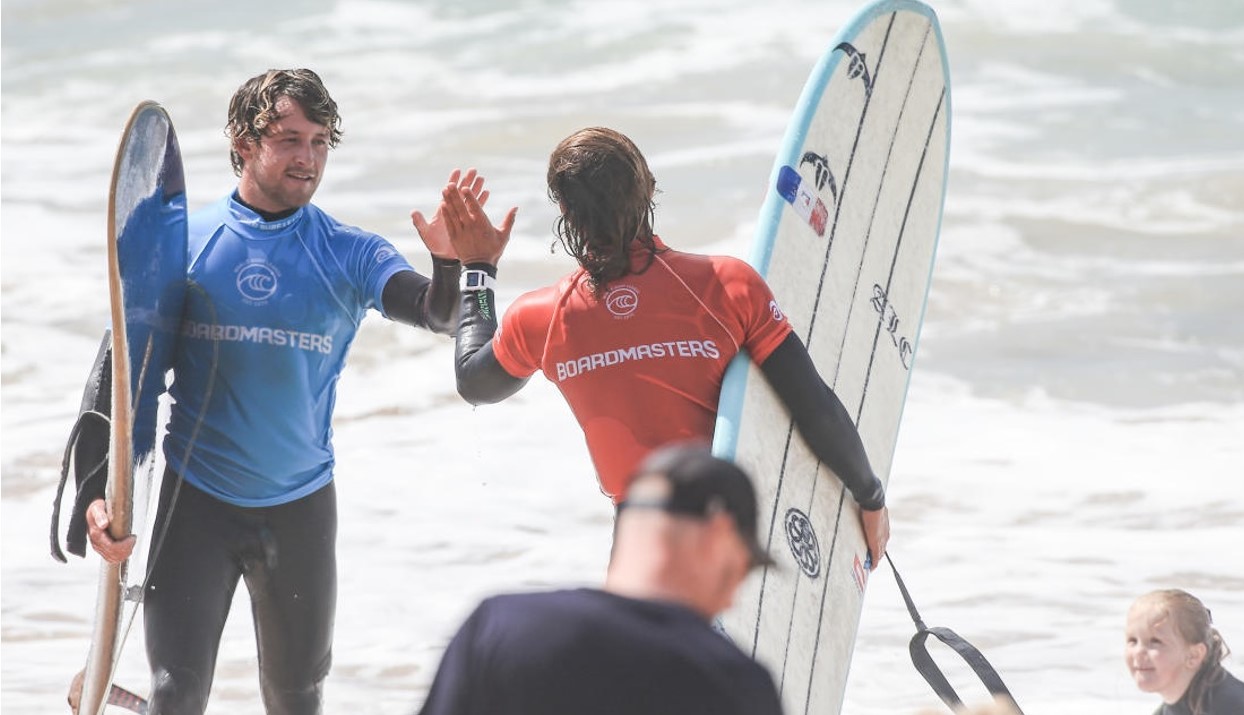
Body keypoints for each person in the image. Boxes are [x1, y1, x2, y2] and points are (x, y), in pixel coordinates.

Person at [68, 68, 501, 715]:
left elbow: (436, 313)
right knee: (173, 693)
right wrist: (95, 494)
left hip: (299, 510)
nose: (308, 158)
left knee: (297, 699)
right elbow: (122, 371)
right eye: (290, 139)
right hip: (197, 506)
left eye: (321, 141)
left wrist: (451, 266)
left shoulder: (348, 252)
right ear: (243, 144)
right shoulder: (185, 239)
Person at [439, 126, 889, 567]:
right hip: (736, 532)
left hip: (638, 552)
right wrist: (869, 497)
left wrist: (477, 267)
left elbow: (475, 383)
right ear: (648, 188)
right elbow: (813, 408)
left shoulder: (541, 317)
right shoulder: (726, 286)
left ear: (565, 212)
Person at [414, 444, 784, 715]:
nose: (733, 599)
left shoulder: (501, 625)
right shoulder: (736, 683)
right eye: (744, 567)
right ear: (718, 534)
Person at [1124, 589, 1244, 715]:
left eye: (1155, 641)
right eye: (1132, 641)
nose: (1138, 652)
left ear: (1194, 655)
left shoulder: (1231, 705)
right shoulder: (1170, 708)